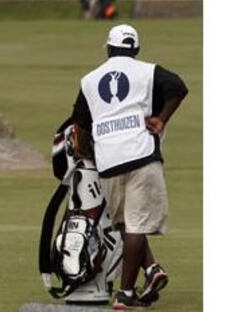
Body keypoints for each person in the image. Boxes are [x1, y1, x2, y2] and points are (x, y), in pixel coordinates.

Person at [67, 24, 188, 309]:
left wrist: (85, 151)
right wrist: (161, 118)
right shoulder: (148, 70)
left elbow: (82, 124)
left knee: (126, 224)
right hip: (142, 156)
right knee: (134, 225)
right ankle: (127, 293)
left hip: (109, 162)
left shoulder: (89, 80)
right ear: (136, 50)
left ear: (108, 48)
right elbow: (178, 87)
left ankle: (149, 273)